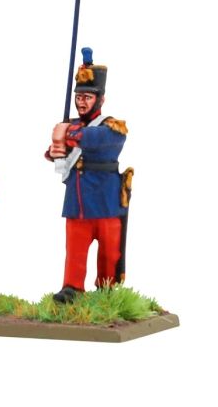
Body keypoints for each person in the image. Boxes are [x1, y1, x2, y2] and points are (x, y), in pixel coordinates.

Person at [45, 47, 129, 303]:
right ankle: (71, 287)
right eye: (79, 96)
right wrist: (55, 151)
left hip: (105, 201)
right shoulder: (70, 124)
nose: (81, 102)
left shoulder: (112, 127)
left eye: (87, 97)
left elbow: (96, 138)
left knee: (109, 251)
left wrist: (67, 134)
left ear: (100, 100)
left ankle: (107, 289)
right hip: (77, 201)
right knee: (75, 249)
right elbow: (57, 154)